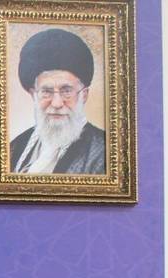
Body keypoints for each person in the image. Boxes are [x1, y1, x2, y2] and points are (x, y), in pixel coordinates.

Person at [10, 28, 106, 174]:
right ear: (34, 95)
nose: (56, 103)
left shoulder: (104, 152)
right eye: (46, 91)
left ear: (84, 95)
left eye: (66, 91)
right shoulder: (15, 146)